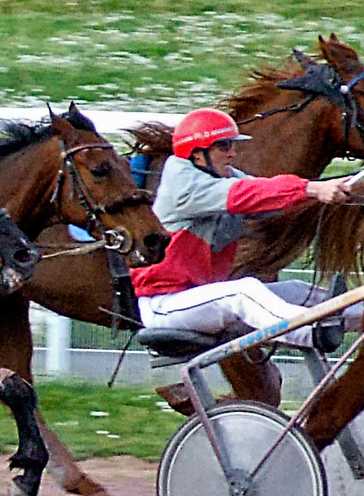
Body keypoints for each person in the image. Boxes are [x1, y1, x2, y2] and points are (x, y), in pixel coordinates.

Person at [131, 108, 352, 350]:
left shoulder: (220, 177)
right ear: (197, 154)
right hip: (165, 305)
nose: (232, 153)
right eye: (224, 146)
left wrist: (322, 193)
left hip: (200, 298)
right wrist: (311, 189)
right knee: (244, 291)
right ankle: (309, 334)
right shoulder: (184, 186)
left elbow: (265, 198)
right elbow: (245, 194)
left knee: (298, 290)